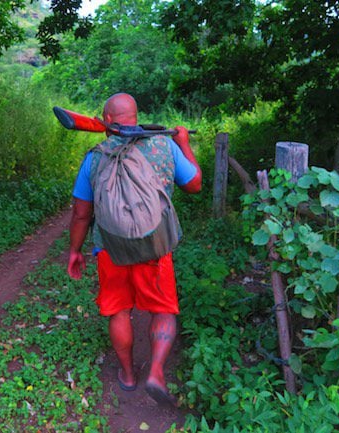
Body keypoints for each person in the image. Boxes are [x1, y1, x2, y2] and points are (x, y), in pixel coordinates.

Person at [67, 93, 202, 406]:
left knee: (118, 311)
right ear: (135, 116)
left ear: (108, 120)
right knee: (163, 310)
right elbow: (194, 184)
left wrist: (75, 250)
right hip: (155, 246)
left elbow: (81, 214)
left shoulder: (95, 157)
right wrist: (183, 142)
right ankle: (155, 371)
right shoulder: (163, 145)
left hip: (110, 248)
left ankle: (127, 375)